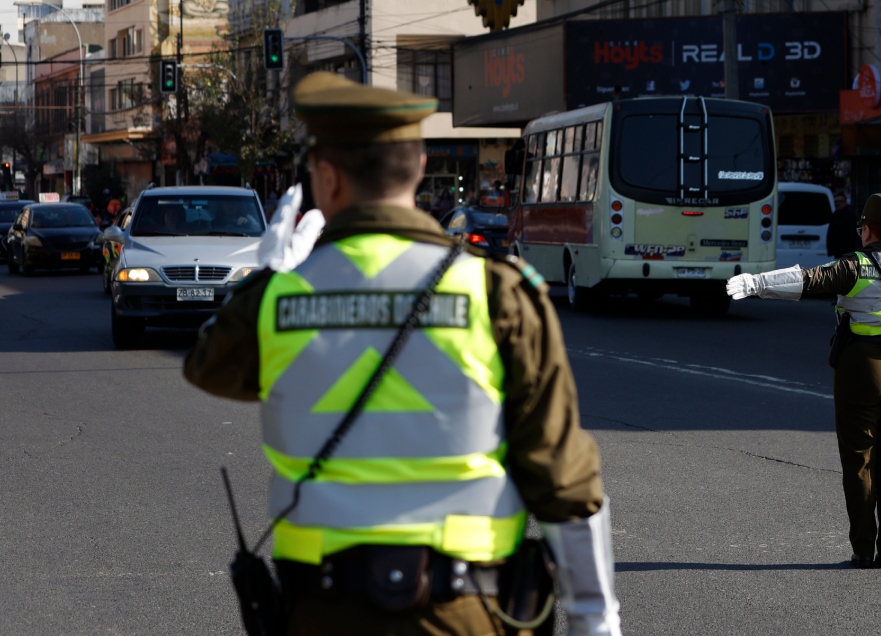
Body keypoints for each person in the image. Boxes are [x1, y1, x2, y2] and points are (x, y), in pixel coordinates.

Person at [183, 72, 622, 636]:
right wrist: (595, 620)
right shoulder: (495, 292)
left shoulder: (278, 300)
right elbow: (562, 477)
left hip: (321, 615)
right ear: (418, 167)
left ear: (325, 177)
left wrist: (269, 273)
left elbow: (209, 365)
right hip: (467, 613)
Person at [726, 136, 881, 570]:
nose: (860, 232)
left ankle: (863, 547)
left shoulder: (855, 266)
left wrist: (755, 283)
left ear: (869, 229)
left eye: (863, 227)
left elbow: (806, 280)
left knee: (859, 456)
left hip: (864, 363)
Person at [826, 190, 862, 259]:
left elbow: (852, 233)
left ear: (845, 202)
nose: (837, 204)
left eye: (840, 201)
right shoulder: (836, 214)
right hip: (838, 250)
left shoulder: (849, 214)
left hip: (847, 250)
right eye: (836, 202)